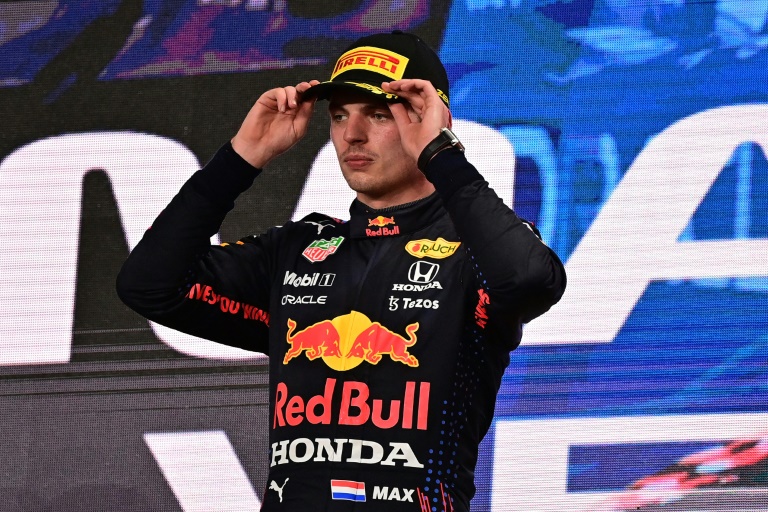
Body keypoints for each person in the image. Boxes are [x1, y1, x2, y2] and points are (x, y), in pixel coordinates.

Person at [117, 30, 566, 512]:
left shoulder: (474, 252)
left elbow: (531, 279)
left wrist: (441, 153)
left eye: (378, 114)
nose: (352, 134)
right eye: (338, 116)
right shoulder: (295, 249)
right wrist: (240, 159)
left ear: (429, 118)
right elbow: (149, 285)